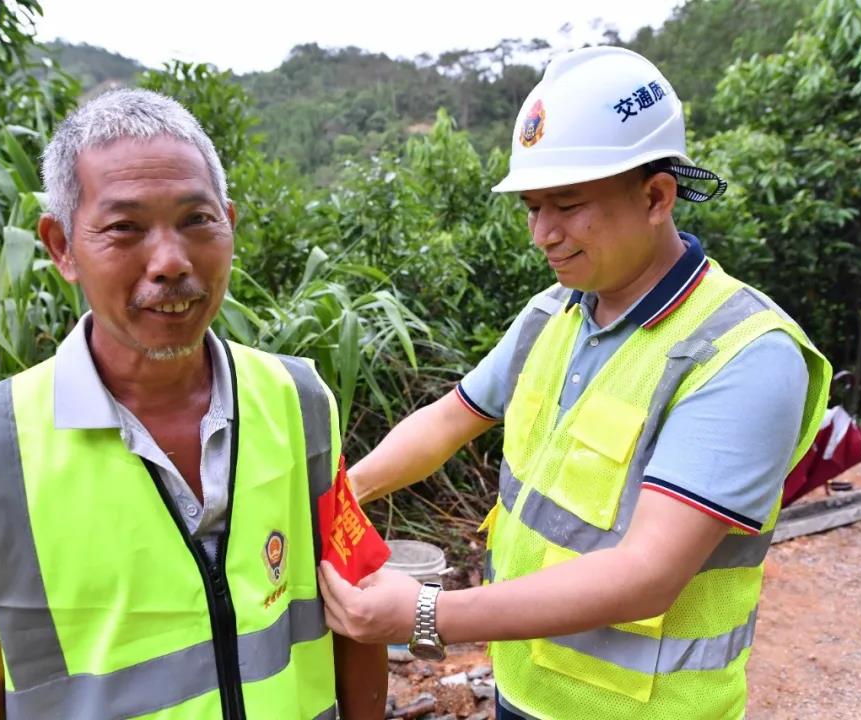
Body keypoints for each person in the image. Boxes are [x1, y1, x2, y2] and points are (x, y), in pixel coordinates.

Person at [318, 46, 831, 719]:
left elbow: (648, 575)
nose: (542, 234)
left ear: (656, 197)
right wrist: (342, 492)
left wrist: (425, 614)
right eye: (532, 207)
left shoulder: (743, 355)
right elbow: (450, 419)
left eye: (565, 204)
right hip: (524, 690)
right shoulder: (549, 317)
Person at [0, 88, 385, 720]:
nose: (170, 261)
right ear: (61, 248)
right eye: (124, 228)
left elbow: (355, 611)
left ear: (230, 224)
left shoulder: (299, 401)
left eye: (196, 220)